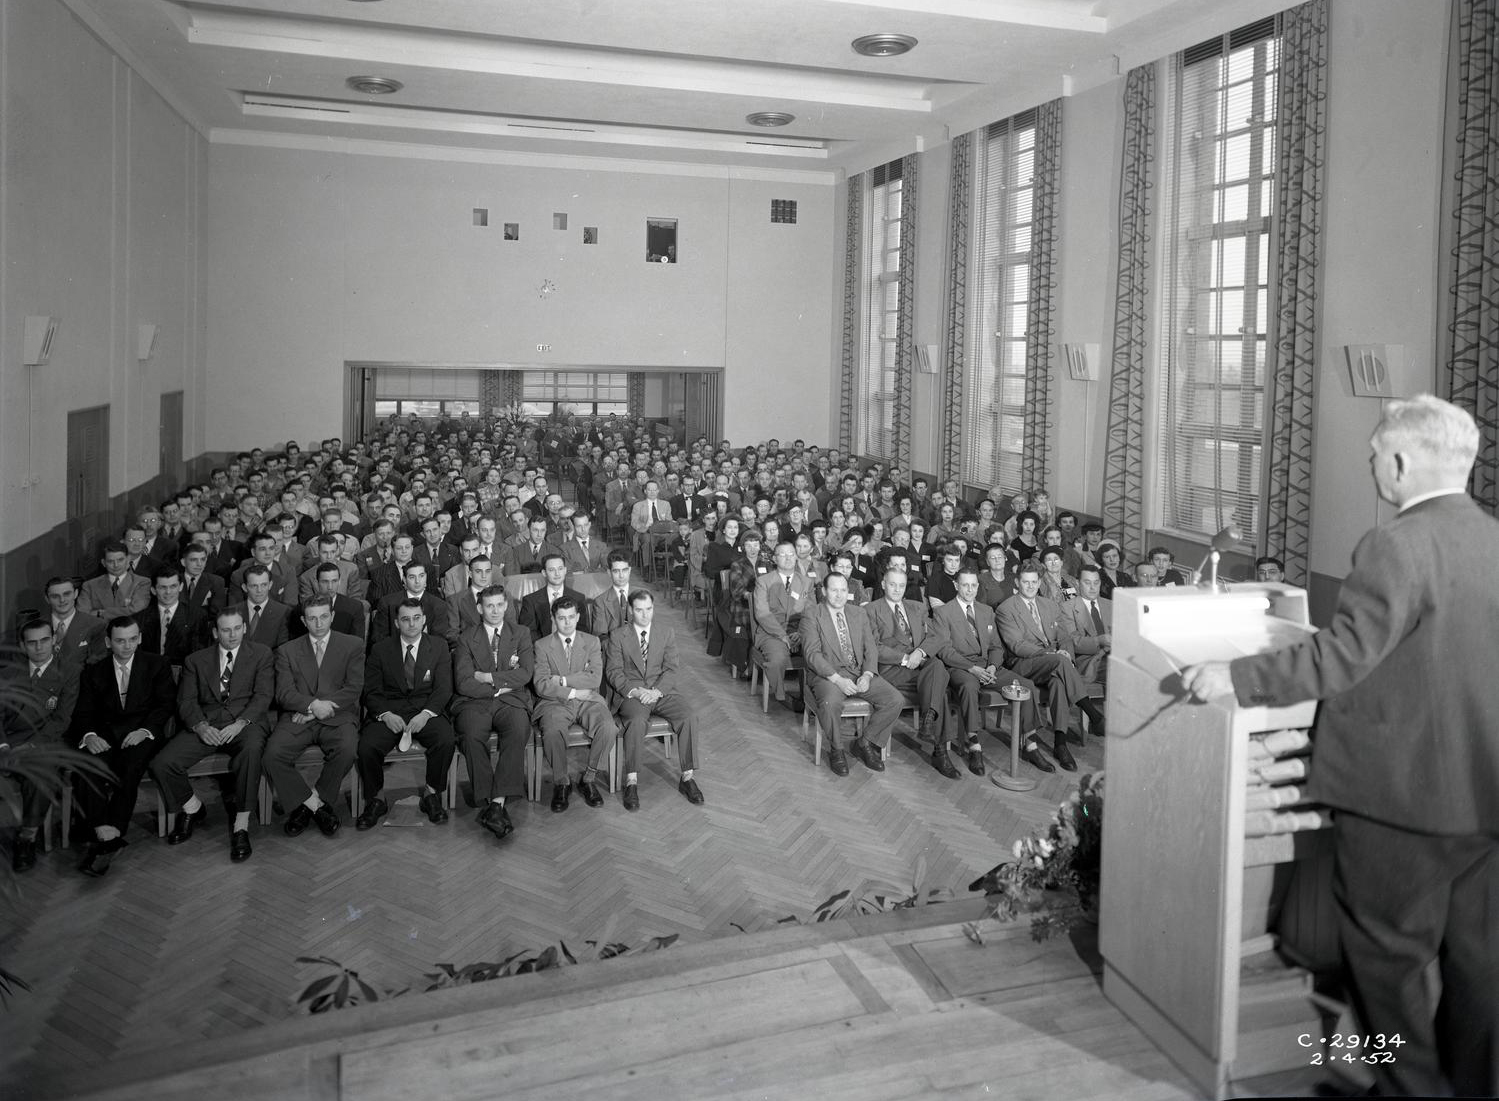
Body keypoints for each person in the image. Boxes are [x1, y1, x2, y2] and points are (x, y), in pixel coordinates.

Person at [1181, 395, 1499, 1099]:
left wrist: (1231, 674)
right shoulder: (1490, 538)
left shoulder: (1396, 542)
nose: (1370, 467)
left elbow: (1341, 656)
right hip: (1481, 799)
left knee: (1385, 962)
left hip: (1399, 805)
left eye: (1372, 455)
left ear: (1399, 460)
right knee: (1476, 963)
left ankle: (1411, 1088)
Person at [150, 607, 273, 862]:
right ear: (216, 632)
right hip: (206, 724)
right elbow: (186, 701)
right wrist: (201, 727)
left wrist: (240, 723)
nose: (232, 635)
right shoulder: (196, 660)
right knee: (163, 763)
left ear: (244, 628)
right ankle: (193, 808)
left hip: (244, 724)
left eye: (237, 628)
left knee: (251, 752)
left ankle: (241, 825)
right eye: (226, 630)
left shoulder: (260, 654)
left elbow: (263, 696)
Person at [69, 617, 176, 877]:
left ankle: (108, 832)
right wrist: (91, 735)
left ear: (139, 638)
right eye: (119, 640)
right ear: (108, 642)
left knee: (130, 767)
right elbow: (83, 713)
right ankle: (107, 834)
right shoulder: (94, 671)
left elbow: (165, 706)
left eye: (132, 638)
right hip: (105, 735)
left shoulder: (157, 664)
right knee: (87, 766)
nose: (127, 645)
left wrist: (144, 731)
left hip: (143, 733)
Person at [265, 595, 363, 839]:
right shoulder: (287, 650)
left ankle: (307, 805)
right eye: (312, 618)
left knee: (347, 748)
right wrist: (311, 706)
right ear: (303, 620)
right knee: (271, 755)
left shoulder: (353, 644)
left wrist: (317, 710)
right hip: (297, 715)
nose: (318, 623)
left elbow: (353, 689)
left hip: (337, 716)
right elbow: (284, 692)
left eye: (323, 616)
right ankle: (315, 806)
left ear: (331, 616)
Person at [931, 568, 1046, 777]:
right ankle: (974, 745)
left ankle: (1030, 745)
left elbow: (996, 647)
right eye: (965, 585)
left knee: (1026, 686)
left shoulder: (986, 611)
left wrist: (992, 666)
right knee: (968, 687)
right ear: (956, 586)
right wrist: (972, 669)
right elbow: (944, 650)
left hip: (989, 666)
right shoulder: (943, 612)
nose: (970, 590)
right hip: (961, 667)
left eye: (973, 585)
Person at [356, 600, 457, 830]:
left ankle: (431, 795)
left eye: (416, 618)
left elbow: (443, 689)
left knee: (445, 739)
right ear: (396, 622)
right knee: (367, 747)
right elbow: (370, 691)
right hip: (390, 709)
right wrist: (385, 714)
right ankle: (377, 799)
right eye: (405, 619)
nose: (411, 624)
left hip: (426, 709)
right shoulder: (380, 649)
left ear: (423, 620)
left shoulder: (439, 646)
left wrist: (427, 714)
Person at [996, 562, 1105, 771]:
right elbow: (1017, 645)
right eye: (1025, 582)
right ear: (1017, 582)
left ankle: (1060, 743)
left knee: (1058, 682)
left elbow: (1064, 638)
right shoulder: (1006, 608)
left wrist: (1065, 653)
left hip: (1055, 663)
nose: (1030, 586)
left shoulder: (1049, 605)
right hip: (1023, 664)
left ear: (1039, 583)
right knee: (1059, 663)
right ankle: (1093, 713)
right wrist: (1054, 655)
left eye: (1034, 582)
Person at [603, 590, 703, 810]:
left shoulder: (665, 632)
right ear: (630, 610)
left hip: (661, 692)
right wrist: (637, 692)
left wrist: (656, 691)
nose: (645, 615)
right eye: (639, 610)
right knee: (637, 721)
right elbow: (614, 672)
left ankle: (687, 777)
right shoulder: (618, 635)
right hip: (632, 694)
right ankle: (631, 780)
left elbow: (671, 668)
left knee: (688, 716)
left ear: (653, 608)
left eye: (648, 609)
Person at [799, 572, 904, 777]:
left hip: (858, 671)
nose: (839, 595)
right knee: (830, 704)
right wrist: (837, 679)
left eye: (843, 590)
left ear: (848, 592)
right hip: (827, 675)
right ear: (824, 591)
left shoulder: (858, 613)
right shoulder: (812, 614)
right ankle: (837, 750)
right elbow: (812, 654)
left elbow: (870, 648)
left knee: (895, 699)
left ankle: (865, 742)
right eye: (834, 590)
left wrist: (867, 674)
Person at [452, 586, 533, 841]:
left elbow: (525, 673)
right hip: (475, 700)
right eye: (489, 606)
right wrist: (497, 687)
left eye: (499, 605)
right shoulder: (466, 637)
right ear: (479, 609)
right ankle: (491, 800)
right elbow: (464, 681)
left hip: (511, 700)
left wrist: (487, 677)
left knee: (519, 729)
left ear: (506, 605)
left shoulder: (520, 633)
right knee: (471, 734)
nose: (495, 610)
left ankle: (495, 803)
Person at [1, 619, 80, 872]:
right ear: (23, 646)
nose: (39, 647)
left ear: (54, 639)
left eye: (45, 640)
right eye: (32, 643)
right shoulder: (7, 673)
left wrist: (31, 747)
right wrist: (3, 746)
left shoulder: (68, 671)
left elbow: (62, 719)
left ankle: (27, 837)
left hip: (45, 741)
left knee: (40, 772)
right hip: (8, 740)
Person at [866, 568, 957, 779]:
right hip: (891, 670)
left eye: (901, 585)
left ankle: (929, 721)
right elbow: (873, 647)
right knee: (939, 685)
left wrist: (920, 651)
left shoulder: (916, 607)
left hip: (919, 668)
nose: (897, 589)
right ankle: (940, 750)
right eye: (892, 584)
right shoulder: (871, 610)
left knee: (936, 668)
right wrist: (907, 659)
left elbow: (938, 636)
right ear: (883, 584)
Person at [531, 596, 615, 813]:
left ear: (578, 617)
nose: (567, 623)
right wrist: (575, 688)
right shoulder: (541, 646)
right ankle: (561, 781)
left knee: (608, 727)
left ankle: (589, 778)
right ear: (553, 619)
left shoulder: (592, 642)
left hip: (589, 700)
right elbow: (541, 685)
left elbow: (595, 679)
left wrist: (562, 679)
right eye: (561, 618)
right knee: (551, 731)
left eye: (571, 617)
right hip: (555, 702)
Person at [752, 541, 815, 707]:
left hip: (799, 631)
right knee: (777, 659)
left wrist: (801, 633)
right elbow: (763, 614)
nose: (788, 558)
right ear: (774, 558)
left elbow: (811, 613)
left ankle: (812, 697)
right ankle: (782, 696)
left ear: (796, 557)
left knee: (820, 654)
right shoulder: (763, 581)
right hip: (771, 632)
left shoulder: (806, 582)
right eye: (782, 554)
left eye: (791, 554)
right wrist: (783, 636)